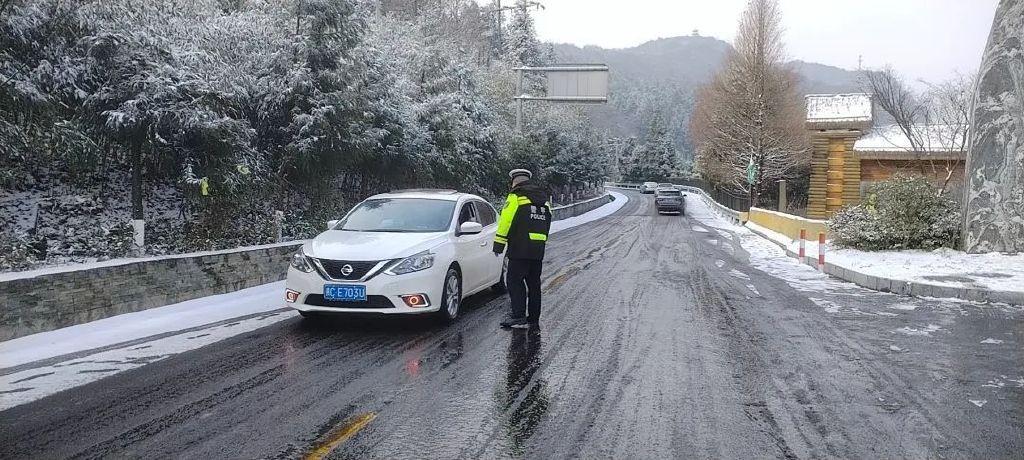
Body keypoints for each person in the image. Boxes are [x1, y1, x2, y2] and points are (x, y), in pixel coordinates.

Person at [493, 169, 551, 329]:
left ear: (515, 181)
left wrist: (499, 243)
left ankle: (518, 315)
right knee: (534, 284)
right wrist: (540, 240)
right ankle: (533, 317)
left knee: (514, 281)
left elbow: (506, 221)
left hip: (519, 248)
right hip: (538, 249)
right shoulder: (544, 199)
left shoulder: (516, 197)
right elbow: (548, 222)